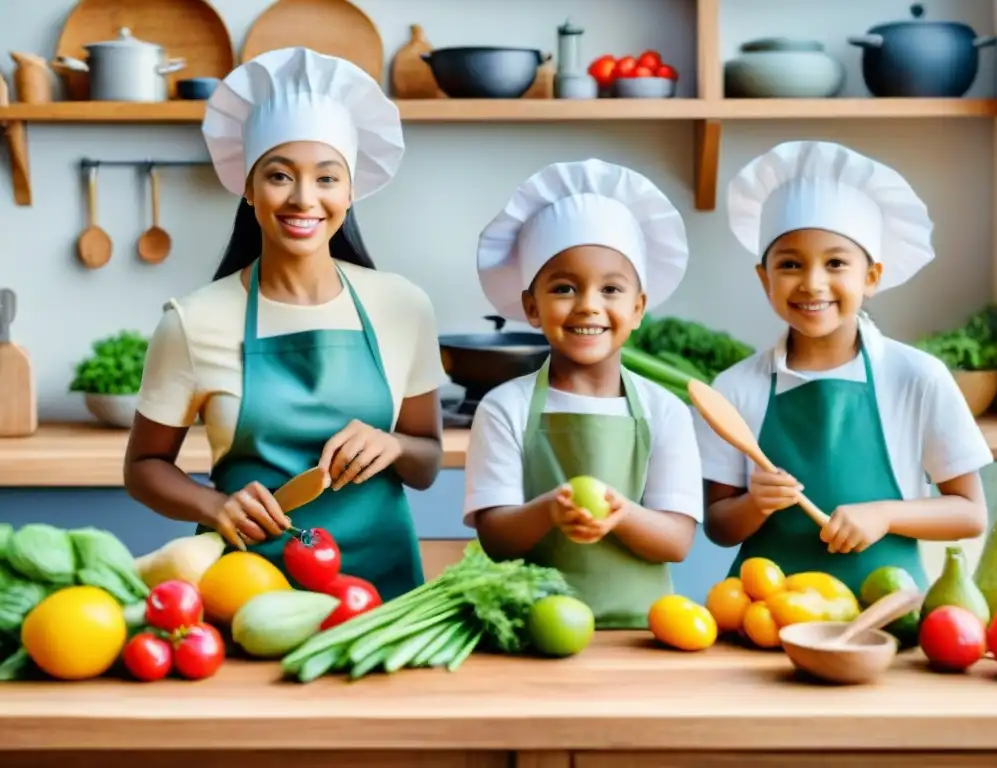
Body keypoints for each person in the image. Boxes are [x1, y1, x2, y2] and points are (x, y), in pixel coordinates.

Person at [124, 47, 446, 601]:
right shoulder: (192, 321)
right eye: (279, 175)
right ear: (248, 189)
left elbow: (427, 461)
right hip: (245, 586)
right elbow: (144, 466)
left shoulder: (403, 306)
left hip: (381, 595)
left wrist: (393, 446)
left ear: (350, 192)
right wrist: (213, 504)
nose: (304, 198)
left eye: (326, 178)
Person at [696, 139, 992, 592]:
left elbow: (970, 514)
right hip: (764, 617)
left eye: (836, 263)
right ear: (765, 279)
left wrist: (886, 514)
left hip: (888, 616)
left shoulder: (918, 378)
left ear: (871, 276)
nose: (813, 283)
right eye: (790, 264)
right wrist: (755, 504)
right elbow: (719, 527)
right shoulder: (736, 388)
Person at [463, 158, 704, 629]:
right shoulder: (503, 408)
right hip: (527, 631)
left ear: (637, 309)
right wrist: (551, 509)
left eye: (611, 289)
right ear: (532, 307)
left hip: (642, 634)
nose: (589, 305)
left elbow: (677, 541)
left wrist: (620, 514)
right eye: (565, 288)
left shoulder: (666, 411)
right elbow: (495, 537)